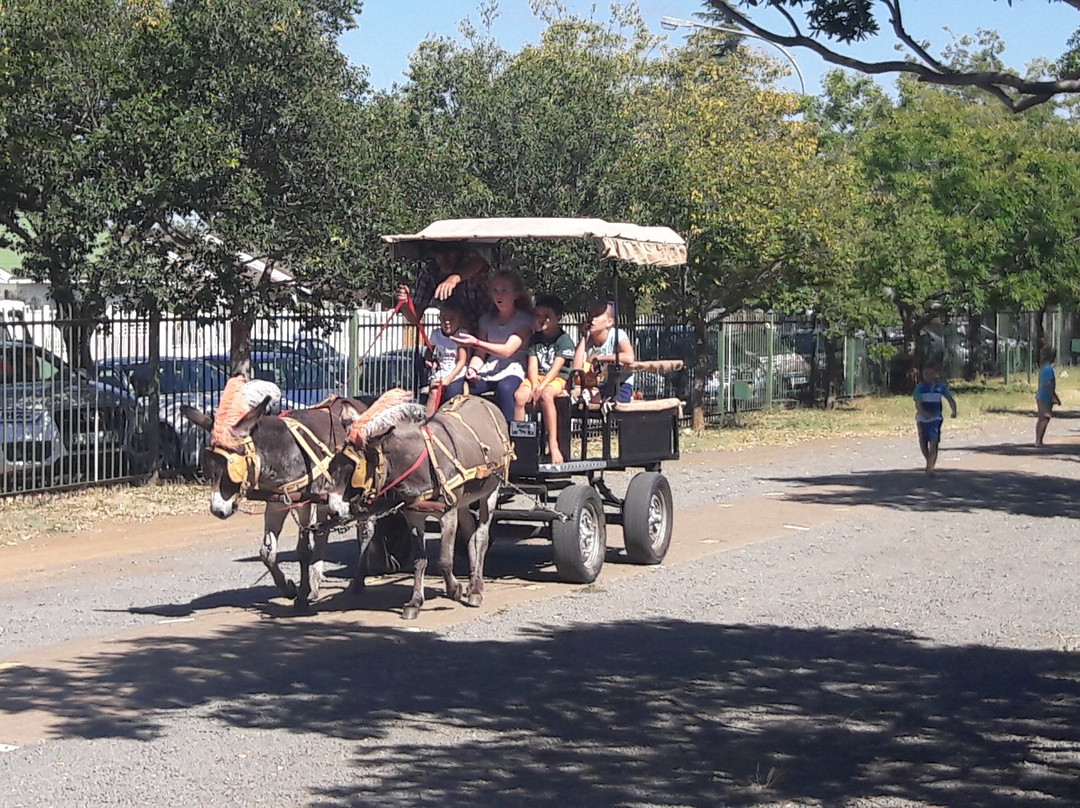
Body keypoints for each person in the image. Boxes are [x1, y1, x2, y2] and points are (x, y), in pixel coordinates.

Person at [451, 270, 534, 421]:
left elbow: (507, 351)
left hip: (513, 371)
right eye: (495, 291)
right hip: (489, 371)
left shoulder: (525, 321)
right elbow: (480, 355)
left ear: (515, 295)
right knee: (455, 387)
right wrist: (472, 369)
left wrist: (476, 342)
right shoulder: (486, 320)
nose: (498, 295)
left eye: (504, 291)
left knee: (506, 389)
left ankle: (510, 436)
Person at [514, 294, 576, 464]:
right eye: (538, 315)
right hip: (538, 378)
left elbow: (557, 368)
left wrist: (542, 387)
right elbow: (532, 365)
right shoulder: (535, 339)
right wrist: (534, 385)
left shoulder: (564, 341)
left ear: (558, 318)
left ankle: (554, 446)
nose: (542, 320)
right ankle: (519, 446)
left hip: (557, 379)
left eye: (547, 316)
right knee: (519, 396)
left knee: (546, 396)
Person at [396, 247, 492, 331]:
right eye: (439, 255)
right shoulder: (430, 273)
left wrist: (454, 278)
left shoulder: (470, 264)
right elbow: (415, 318)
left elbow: (480, 263)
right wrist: (405, 303)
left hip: (484, 329)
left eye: (450, 255)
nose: (444, 259)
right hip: (453, 335)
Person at [572, 300, 636, 403]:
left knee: (613, 405)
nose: (592, 319)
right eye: (591, 315)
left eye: (597, 315)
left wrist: (600, 358)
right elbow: (576, 368)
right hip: (600, 386)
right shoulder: (588, 342)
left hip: (620, 385)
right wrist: (584, 337)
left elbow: (629, 357)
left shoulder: (617, 334)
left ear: (609, 322)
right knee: (581, 399)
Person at [424, 302, 470, 416]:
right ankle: (428, 420)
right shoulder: (436, 334)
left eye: (452, 319)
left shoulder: (461, 335)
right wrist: (429, 359)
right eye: (444, 319)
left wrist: (449, 379)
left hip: (456, 373)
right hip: (441, 371)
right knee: (433, 391)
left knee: (452, 394)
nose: (447, 322)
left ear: (459, 320)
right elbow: (429, 351)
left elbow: (462, 361)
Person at [913, 361, 957, 475]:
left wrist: (954, 410)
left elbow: (950, 399)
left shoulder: (941, 387)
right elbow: (918, 403)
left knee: (934, 442)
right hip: (922, 419)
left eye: (930, 373)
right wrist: (923, 413)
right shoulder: (920, 388)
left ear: (936, 374)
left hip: (935, 418)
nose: (928, 376)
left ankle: (930, 468)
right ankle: (929, 462)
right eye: (925, 374)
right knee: (923, 443)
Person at [1035, 344, 1061, 447]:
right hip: (1045, 397)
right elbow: (1049, 384)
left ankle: (1038, 439)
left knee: (1042, 418)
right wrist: (1054, 397)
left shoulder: (1043, 368)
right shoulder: (1048, 369)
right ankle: (1039, 440)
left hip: (1041, 396)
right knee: (1045, 418)